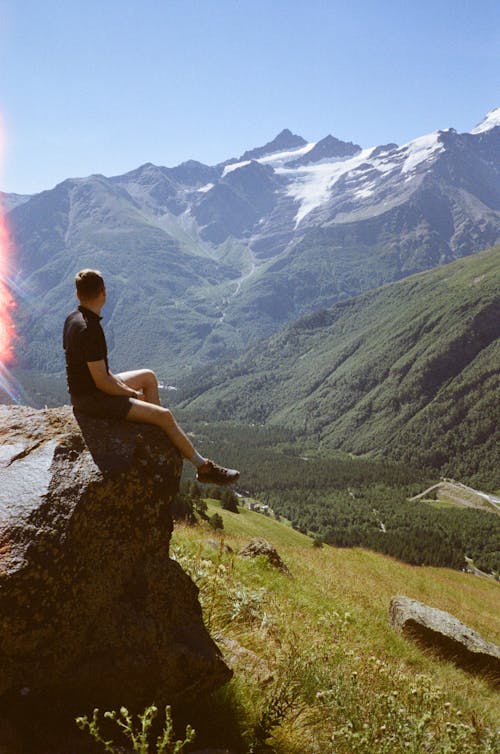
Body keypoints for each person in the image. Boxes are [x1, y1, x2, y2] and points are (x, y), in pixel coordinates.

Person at [63, 268, 239, 486]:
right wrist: (130, 393)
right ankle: (204, 467)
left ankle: (155, 435)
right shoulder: (89, 329)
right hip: (92, 400)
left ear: (77, 294)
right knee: (164, 416)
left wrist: (124, 390)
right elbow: (102, 382)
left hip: (88, 391)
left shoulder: (74, 319)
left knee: (148, 376)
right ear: (103, 292)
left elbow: (99, 373)